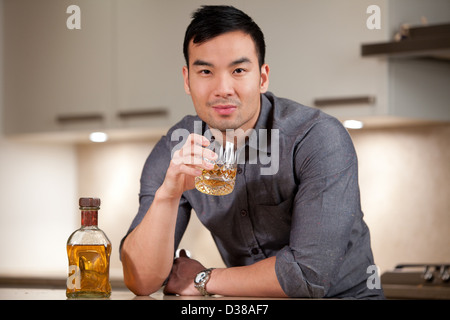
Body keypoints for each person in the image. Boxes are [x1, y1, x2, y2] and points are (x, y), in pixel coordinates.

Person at [120, 5, 384, 299]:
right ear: (187, 80)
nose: (223, 88)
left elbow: (307, 278)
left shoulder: (318, 137)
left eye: (239, 70)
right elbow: (141, 281)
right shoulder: (177, 147)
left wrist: (203, 278)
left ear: (262, 77)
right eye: (206, 71)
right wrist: (168, 195)